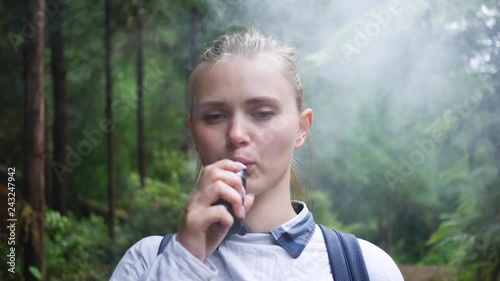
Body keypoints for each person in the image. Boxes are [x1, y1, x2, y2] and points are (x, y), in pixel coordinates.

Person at [110, 28, 404, 281]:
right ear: (192, 132)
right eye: (214, 116)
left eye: (262, 113)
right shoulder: (147, 262)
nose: (237, 134)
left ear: (302, 129)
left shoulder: (365, 268)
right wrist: (183, 259)